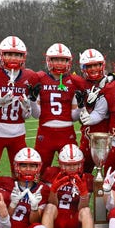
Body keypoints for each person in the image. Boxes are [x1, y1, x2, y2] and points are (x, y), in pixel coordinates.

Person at [0, 36, 38, 172]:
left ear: (23, 56)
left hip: (18, 133)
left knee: (21, 174)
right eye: (9, 54)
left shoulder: (30, 76)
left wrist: (27, 108)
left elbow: (27, 116)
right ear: (1, 55)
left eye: (17, 55)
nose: (13, 58)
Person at [41, 143, 102, 228]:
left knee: (86, 211)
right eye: (68, 165)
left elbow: (82, 207)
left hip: (73, 225)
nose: (72, 167)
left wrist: (84, 194)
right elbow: (50, 202)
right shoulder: (51, 173)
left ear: (81, 163)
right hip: (55, 222)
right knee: (49, 207)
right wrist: (54, 190)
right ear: (60, 163)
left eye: (75, 164)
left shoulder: (87, 178)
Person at [29, 43, 84, 171]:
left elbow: (73, 118)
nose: (59, 63)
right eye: (56, 59)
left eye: (63, 60)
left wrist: (80, 107)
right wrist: (32, 100)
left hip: (67, 132)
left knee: (73, 171)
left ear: (68, 62)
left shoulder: (74, 81)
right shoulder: (40, 78)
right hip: (45, 133)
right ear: (49, 60)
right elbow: (36, 115)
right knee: (39, 171)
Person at [76, 48, 113, 173]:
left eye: (96, 65)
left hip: (110, 133)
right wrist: (87, 106)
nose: (93, 69)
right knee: (83, 172)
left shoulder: (112, 83)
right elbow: (79, 116)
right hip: (88, 134)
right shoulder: (80, 84)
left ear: (102, 65)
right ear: (83, 67)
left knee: (111, 173)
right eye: (89, 66)